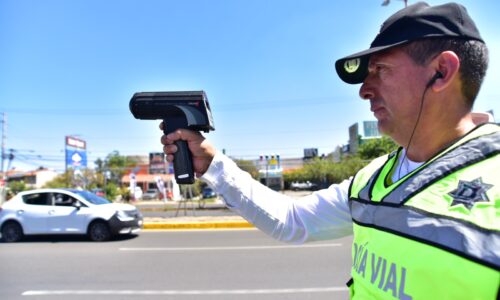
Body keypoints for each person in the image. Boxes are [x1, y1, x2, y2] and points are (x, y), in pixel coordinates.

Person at [161, 2, 499, 299]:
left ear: (441, 71)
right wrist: (213, 164)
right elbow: (292, 220)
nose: (365, 91)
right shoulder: (373, 177)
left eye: (381, 70)